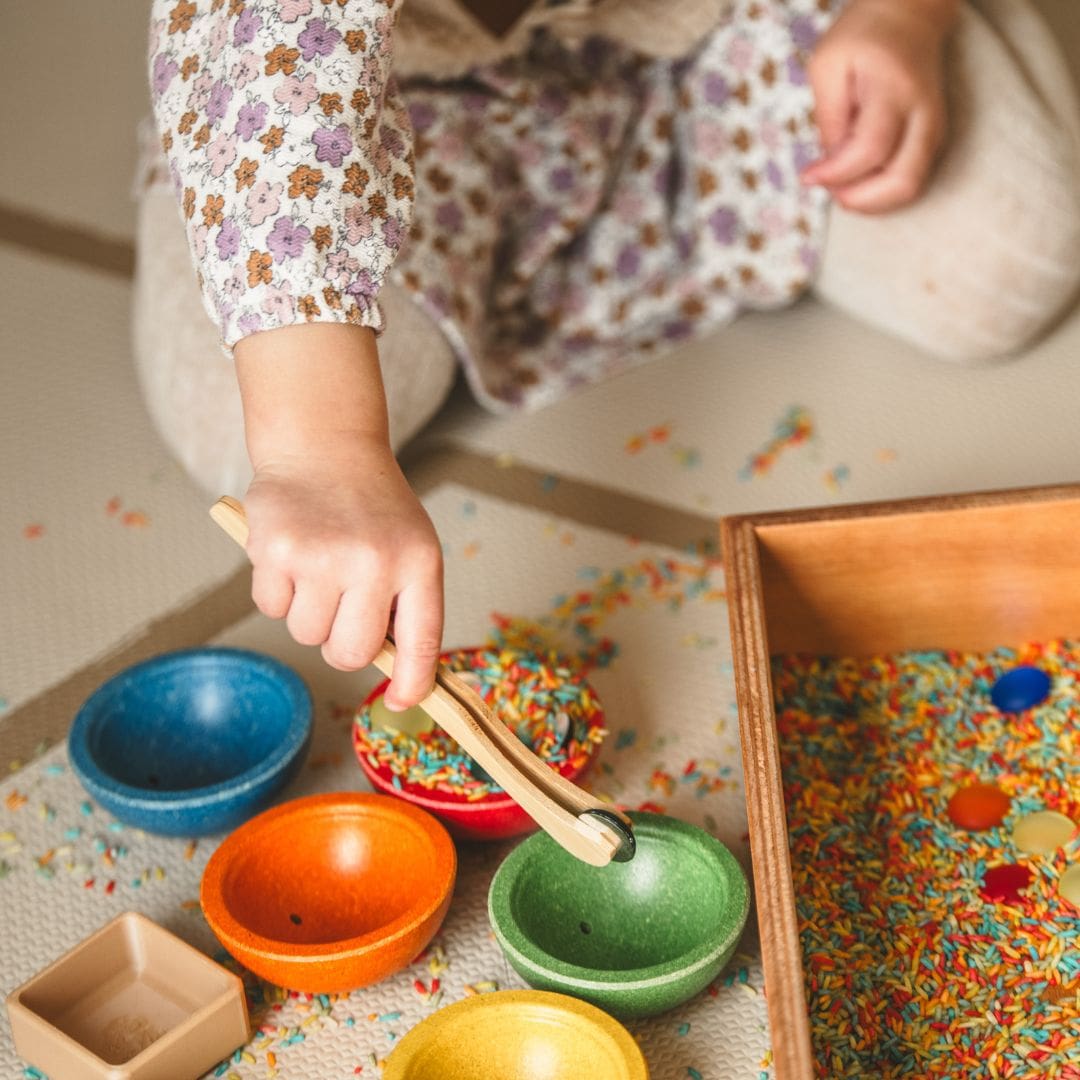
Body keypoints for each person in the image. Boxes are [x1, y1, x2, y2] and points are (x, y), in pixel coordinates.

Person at [137, 0, 1080, 710]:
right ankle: (210, 142)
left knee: (1012, 263)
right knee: (240, 424)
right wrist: (321, 447)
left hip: (712, 38)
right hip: (378, 99)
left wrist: (901, 16)